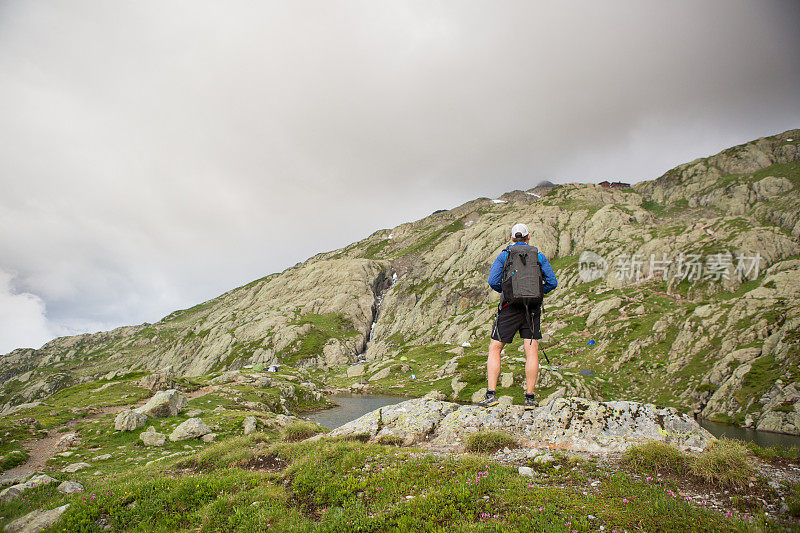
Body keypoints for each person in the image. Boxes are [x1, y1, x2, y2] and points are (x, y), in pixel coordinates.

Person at [477, 223, 558, 409]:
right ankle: (530, 398)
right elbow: (552, 282)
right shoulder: (538, 256)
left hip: (509, 307)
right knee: (531, 350)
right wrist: (537, 292)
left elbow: (493, 281)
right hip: (532, 308)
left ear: (512, 237)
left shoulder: (504, 255)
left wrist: (509, 292)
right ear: (528, 237)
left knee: (495, 348)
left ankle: (491, 395)